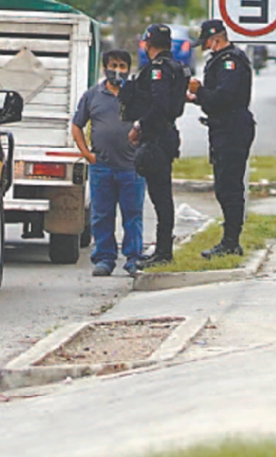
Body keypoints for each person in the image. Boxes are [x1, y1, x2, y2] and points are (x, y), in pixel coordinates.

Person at [71, 50, 144, 277]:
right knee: (102, 215)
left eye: (123, 66)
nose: (118, 70)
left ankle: (133, 258)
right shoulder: (93, 95)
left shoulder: (137, 94)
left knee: (132, 214)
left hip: (132, 167)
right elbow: (77, 126)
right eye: (114, 65)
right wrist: (86, 154)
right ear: (105, 68)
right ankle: (104, 258)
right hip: (101, 166)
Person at [188, 19, 256, 258]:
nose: (205, 48)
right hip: (222, 127)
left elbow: (224, 98)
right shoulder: (220, 60)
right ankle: (228, 239)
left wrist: (200, 91)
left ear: (215, 38)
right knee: (222, 186)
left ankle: (231, 243)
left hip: (232, 128)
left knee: (229, 187)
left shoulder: (230, 62)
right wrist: (196, 98)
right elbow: (214, 99)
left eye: (206, 42)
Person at [124, 24, 186, 269]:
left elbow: (159, 105)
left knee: (160, 196)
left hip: (157, 137)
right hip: (166, 134)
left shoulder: (159, 69)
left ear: (148, 44)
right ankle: (162, 248)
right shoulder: (176, 67)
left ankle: (163, 251)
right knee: (161, 196)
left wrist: (139, 126)